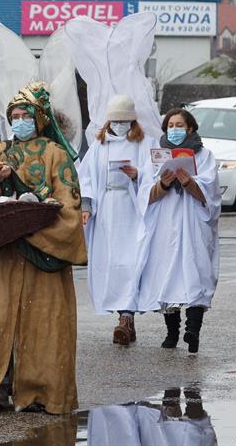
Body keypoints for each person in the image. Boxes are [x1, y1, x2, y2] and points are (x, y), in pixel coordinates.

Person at [0, 81, 87, 414]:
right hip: (3, 254)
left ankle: (41, 390)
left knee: (42, 323)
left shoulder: (55, 154)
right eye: (14, 116)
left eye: (25, 116)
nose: (19, 122)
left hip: (42, 255)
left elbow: (69, 206)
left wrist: (32, 225)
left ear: (39, 119)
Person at [136, 109, 222, 353]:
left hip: (193, 222)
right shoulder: (157, 156)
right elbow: (145, 192)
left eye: (179, 125)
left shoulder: (204, 156)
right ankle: (172, 332)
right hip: (165, 223)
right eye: (170, 125)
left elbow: (211, 192)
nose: (174, 129)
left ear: (190, 128)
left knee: (196, 272)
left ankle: (193, 330)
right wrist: (163, 185)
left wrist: (189, 183)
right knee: (167, 274)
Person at [78, 95, 158, 345]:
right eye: (116, 121)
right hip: (106, 210)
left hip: (133, 209)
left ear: (132, 121)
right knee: (110, 262)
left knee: (131, 262)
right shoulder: (99, 145)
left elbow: (155, 173)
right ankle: (123, 316)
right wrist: (86, 205)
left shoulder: (145, 143)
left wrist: (137, 175)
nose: (120, 126)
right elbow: (86, 177)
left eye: (124, 121)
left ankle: (126, 317)